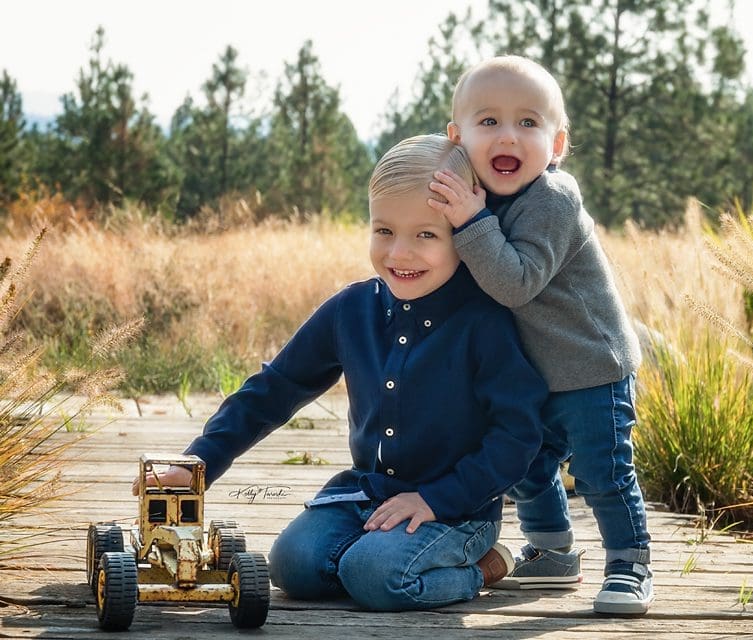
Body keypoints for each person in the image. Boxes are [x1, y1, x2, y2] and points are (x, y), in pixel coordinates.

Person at [132, 134, 549, 612]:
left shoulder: (484, 322)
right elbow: (274, 389)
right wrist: (197, 463)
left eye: (427, 235)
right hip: (365, 493)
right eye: (384, 231)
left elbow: (518, 434)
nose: (399, 254)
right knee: (291, 566)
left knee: (376, 576)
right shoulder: (351, 310)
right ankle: (369, 556)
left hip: (455, 509)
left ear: (466, 233)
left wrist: (437, 499)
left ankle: (484, 567)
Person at [428, 55, 654, 616]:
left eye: (529, 123)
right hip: (533, 371)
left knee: (603, 472)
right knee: (525, 463)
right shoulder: (481, 196)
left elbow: (514, 283)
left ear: (557, 145)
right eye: (489, 122)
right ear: (457, 140)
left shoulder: (553, 198)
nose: (509, 135)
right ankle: (553, 550)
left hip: (589, 366)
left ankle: (630, 562)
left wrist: (472, 224)